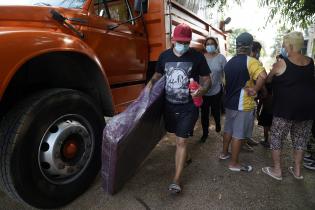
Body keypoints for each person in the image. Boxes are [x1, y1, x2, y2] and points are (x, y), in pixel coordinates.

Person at [146, 23, 212, 193]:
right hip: (168, 105)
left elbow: (207, 79)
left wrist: (202, 90)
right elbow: (158, 75)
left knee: (181, 141)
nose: (183, 45)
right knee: (172, 137)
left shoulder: (197, 57)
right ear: (173, 40)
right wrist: (149, 86)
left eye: (186, 42)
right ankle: (186, 156)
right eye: (180, 42)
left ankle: (176, 180)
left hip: (188, 106)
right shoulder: (164, 56)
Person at [262, 31, 315, 180]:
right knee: (301, 139)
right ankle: (297, 172)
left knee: (277, 137)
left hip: (286, 108)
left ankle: (277, 170)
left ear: (290, 45)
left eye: (285, 44)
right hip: (307, 109)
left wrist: (273, 71)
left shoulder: (282, 63)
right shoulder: (310, 62)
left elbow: (267, 79)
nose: (284, 46)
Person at [219, 32, 267, 172]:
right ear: (250, 46)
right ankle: (234, 163)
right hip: (242, 104)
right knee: (238, 134)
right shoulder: (251, 61)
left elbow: (224, 83)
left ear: (237, 46)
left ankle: (224, 153)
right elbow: (263, 76)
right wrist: (255, 89)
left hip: (229, 103)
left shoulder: (229, 62)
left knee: (228, 129)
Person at [200, 37, 227, 143]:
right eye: (208, 44)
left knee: (216, 111)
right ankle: (205, 133)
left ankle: (218, 123)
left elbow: (226, 73)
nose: (209, 46)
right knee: (204, 113)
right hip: (203, 91)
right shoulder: (201, 58)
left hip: (216, 90)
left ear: (216, 46)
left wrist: (226, 85)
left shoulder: (221, 58)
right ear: (205, 46)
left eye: (212, 44)